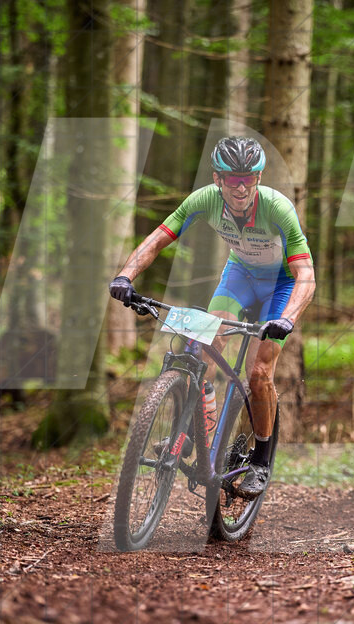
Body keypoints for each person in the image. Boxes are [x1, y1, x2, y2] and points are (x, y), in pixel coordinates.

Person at [109, 137, 315, 498]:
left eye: (247, 178)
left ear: (259, 177)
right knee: (202, 344)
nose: (239, 186)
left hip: (280, 285)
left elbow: (306, 275)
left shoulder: (277, 208)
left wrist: (288, 318)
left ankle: (262, 459)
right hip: (239, 277)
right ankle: (191, 431)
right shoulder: (204, 199)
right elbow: (158, 238)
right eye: (230, 177)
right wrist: (126, 275)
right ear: (217, 178)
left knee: (258, 372)